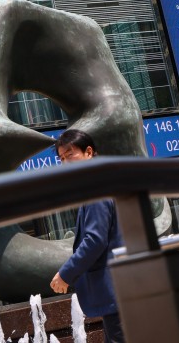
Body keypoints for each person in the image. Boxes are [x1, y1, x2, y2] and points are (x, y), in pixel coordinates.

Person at [50, 129, 125, 343]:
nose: (65, 162)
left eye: (70, 154)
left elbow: (95, 240)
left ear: (89, 152)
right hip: (120, 293)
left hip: (117, 294)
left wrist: (65, 274)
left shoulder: (97, 188)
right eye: (61, 158)